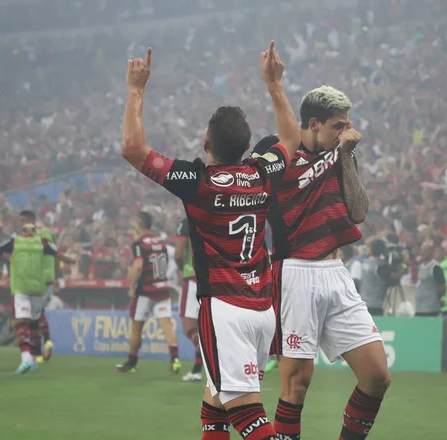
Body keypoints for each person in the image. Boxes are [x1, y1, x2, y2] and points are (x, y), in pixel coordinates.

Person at [121, 42, 300, 440]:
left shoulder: (198, 182)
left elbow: (133, 149)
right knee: (215, 403)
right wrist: (274, 85)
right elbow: (289, 141)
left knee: (245, 411)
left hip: (225, 308)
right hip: (262, 309)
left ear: (206, 146)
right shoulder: (262, 173)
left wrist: (136, 89)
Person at [252, 86, 390, 440]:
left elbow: (358, 212)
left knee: (377, 376)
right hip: (295, 272)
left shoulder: (342, 153)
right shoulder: (274, 149)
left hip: (336, 273)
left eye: (347, 125)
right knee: (297, 384)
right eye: (338, 126)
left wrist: (345, 156)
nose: (346, 132)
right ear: (313, 123)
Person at [0, 223, 75, 374]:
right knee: (34, 323)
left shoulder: (16, 241)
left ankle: (25, 358)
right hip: (38, 288)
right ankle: (33, 360)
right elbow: (60, 256)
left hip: (21, 287)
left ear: (22, 231)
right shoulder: (42, 243)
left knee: (21, 322)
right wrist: (71, 261)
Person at [115, 211, 181, 374]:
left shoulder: (139, 244)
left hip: (145, 291)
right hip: (162, 289)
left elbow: (138, 265)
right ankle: (174, 359)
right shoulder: (161, 243)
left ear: (139, 224)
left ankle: (132, 363)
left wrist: (132, 286)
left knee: (136, 328)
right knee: (167, 325)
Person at [18, 210, 55, 363]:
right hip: (39, 278)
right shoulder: (38, 233)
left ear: (32, 219)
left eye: (23, 220)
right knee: (36, 314)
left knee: (36, 315)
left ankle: (45, 343)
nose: (21, 224)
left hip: (41, 278)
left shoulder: (41, 232)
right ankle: (38, 351)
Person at [175, 217, 203, 382]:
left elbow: (178, 251)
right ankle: (197, 370)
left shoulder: (187, 221)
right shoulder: (213, 216)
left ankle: (210, 353)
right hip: (213, 277)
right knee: (205, 327)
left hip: (192, 277)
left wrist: (180, 268)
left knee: (189, 328)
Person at [415, 242, 446, 317]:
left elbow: (442, 286)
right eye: (421, 250)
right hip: (419, 307)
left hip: (431, 308)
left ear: (432, 252)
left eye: (425, 250)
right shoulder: (420, 266)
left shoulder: (435, 267)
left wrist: (437, 298)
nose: (422, 252)